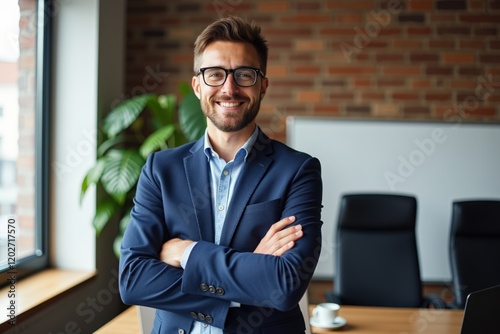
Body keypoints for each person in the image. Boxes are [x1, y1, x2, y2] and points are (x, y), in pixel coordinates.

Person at [119, 16, 323, 334]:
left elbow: (284, 285)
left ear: (262, 85)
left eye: (244, 74)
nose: (229, 88)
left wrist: (185, 252)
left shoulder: (298, 171)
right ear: (198, 85)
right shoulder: (161, 169)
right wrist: (250, 267)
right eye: (215, 74)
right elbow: (133, 281)